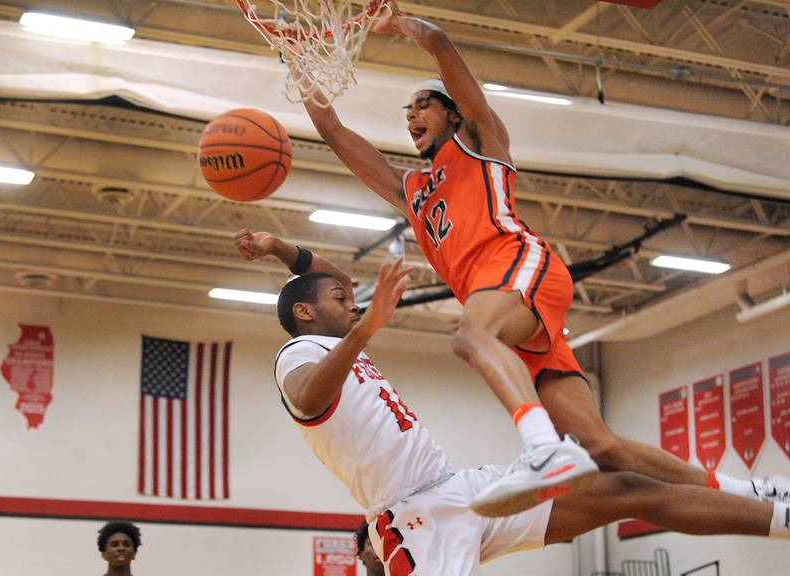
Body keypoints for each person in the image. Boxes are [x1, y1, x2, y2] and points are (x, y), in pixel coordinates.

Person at [297, 1, 789, 516]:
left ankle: (542, 450)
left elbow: (440, 42)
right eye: (408, 112)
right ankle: (756, 495)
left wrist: (401, 23)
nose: (413, 115)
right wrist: (302, 66)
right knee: (602, 447)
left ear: (455, 115)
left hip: (517, 264)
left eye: (424, 104)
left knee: (470, 336)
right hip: (505, 303)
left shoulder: (481, 142)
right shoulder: (412, 190)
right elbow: (335, 134)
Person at [236, 230, 789, 575]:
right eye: (341, 301)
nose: (354, 305)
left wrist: (277, 247)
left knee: (628, 490)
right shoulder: (297, 353)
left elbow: (328, 277)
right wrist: (367, 330)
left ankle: (781, 519)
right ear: (306, 314)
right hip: (416, 515)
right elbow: (309, 398)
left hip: (459, 489)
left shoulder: (330, 327)